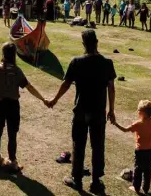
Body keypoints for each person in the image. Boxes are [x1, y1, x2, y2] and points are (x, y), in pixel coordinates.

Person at [49, 29, 117, 195]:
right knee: (98, 146)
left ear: (83, 44)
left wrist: (55, 99)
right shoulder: (107, 63)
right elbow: (111, 87)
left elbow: (66, 84)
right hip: (99, 111)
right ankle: (95, 181)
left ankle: (77, 180)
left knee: (78, 145)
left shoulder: (77, 62)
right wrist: (112, 110)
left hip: (81, 110)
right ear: (97, 43)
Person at [0, 42, 49, 172]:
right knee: (12, 134)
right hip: (12, 106)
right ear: (14, 54)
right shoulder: (17, 71)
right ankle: (12, 161)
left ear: (3, 54)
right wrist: (43, 99)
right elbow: (29, 87)